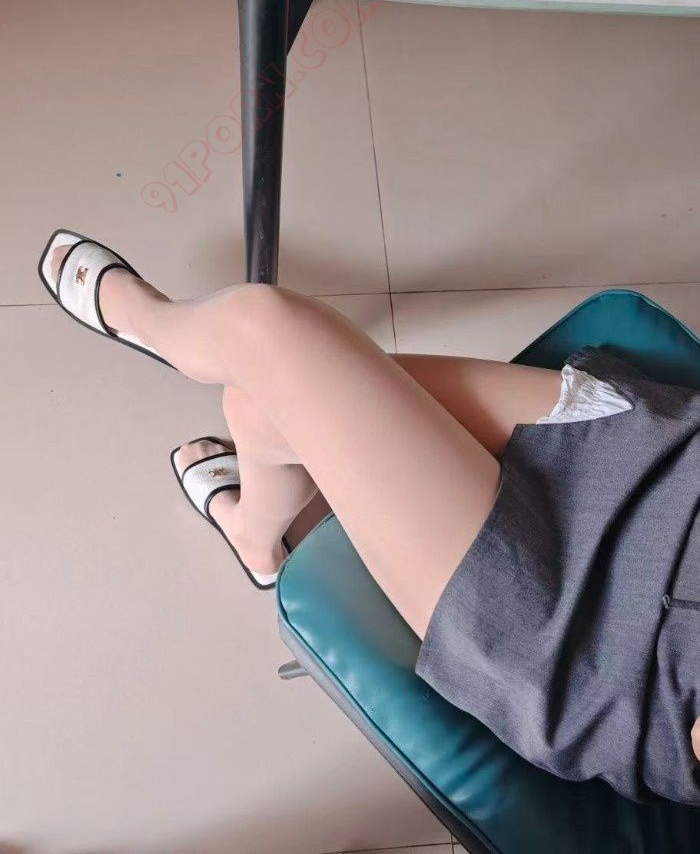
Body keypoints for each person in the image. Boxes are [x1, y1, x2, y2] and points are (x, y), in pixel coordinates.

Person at [39, 230, 700, 806]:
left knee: (260, 328)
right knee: (257, 408)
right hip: (668, 474)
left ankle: (154, 327)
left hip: (600, 652)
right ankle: (256, 541)